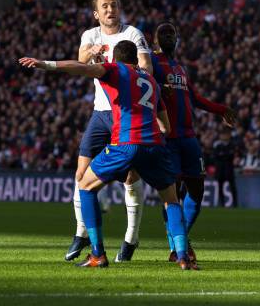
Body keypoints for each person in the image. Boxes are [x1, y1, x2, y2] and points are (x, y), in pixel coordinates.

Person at [18, 41, 194, 270]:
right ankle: (182, 257)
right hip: (155, 146)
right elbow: (166, 128)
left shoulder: (115, 69)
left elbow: (80, 67)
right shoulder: (151, 81)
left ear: (116, 58)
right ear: (135, 58)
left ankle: (98, 254)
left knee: (85, 185)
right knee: (171, 201)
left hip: (125, 143)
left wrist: (45, 64)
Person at [66, 0, 153, 263]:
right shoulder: (90, 35)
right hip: (100, 113)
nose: (109, 10)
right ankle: (81, 233)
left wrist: (114, 67)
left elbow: (146, 69)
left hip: (125, 113)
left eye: (113, 5)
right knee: (81, 175)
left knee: (131, 177)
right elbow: (80, 63)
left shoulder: (133, 34)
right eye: (104, 6)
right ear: (96, 13)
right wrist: (89, 55)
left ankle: (131, 237)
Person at [151, 22, 237, 266]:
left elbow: (194, 98)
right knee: (173, 194)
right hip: (168, 139)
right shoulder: (152, 63)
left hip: (189, 138)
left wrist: (220, 109)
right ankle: (179, 246)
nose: (169, 36)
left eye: (172, 33)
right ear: (155, 41)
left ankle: (181, 238)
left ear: (177, 40)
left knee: (197, 193)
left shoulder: (179, 67)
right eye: (164, 33)